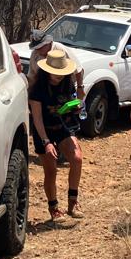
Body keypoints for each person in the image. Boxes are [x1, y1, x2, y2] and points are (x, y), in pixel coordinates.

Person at [29, 46, 84, 221]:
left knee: (77, 158)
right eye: (55, 73)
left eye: (61, 72)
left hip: (62, 126)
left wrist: (76, 107)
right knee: (51, 170)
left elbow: (72, 101)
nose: (58, 76)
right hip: (43, 130)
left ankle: (73, 202)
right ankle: (53, 208)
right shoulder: (37, 89)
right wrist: (46, 142)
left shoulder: (67, 82)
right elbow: (37, 119)